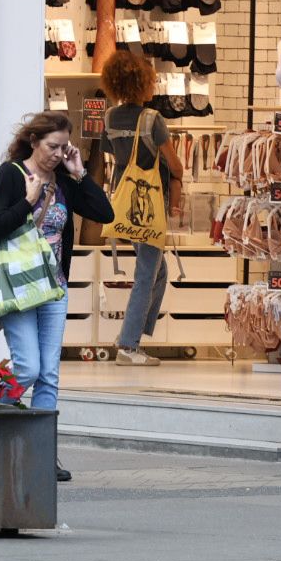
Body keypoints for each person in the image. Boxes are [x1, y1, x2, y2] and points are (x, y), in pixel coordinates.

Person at [0, 112, 113, 483]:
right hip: (19, 289)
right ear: (33, 141)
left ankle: (41, 454)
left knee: (49, 375)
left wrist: (80, 173)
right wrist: (27, 202)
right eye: (52, 146)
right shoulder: (11, 174)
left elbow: (104, 213)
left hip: (54, 288)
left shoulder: (65, 180)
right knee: (28, 368)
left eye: (63, 148)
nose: (57, 154)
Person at [101, 50, 185, 368]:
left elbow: (112, 153)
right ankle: (128, 345)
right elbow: (175, 165)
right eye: (150, 81)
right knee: (147, 273)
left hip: (124, 202)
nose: (153, 86)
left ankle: (131, 332)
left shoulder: (110, 117)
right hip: (150, 204)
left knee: (158, 271)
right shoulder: (152, 119)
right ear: (141, 83)